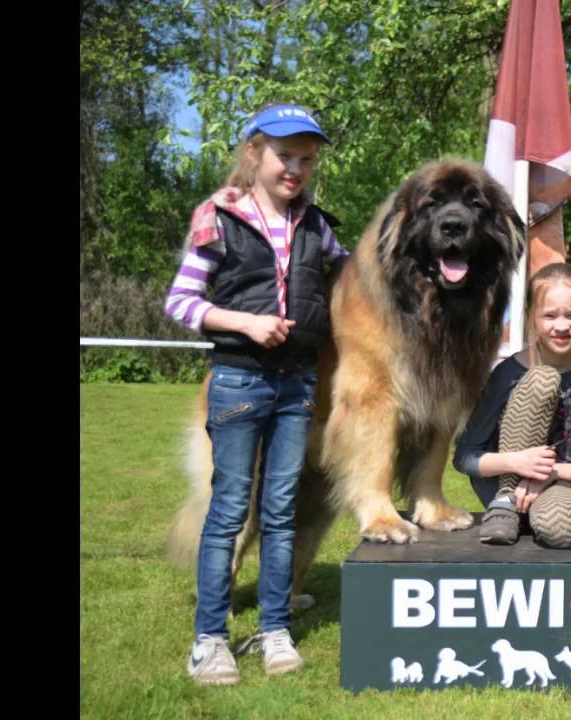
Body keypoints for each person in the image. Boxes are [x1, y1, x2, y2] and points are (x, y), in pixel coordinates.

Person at [164, 103, 347, 685]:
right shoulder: (218, 217)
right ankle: (209, 639)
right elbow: (181, 302)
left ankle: (275, 628)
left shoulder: (318, 226)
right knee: (228, 514)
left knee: (281, 512)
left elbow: (356, 285)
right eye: (284, 156)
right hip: (239, 380)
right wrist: (244, 322)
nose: (295, 169)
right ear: (254, 154)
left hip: (298, 385)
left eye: (306, 159)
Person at [454, 263, 571, 548]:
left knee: (561, 532)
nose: (562, 326)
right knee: (542, 378)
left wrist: (549, 473)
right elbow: (465, 457)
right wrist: (516, 462)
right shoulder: (507, 374)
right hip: (502, 482)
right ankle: (507, 505)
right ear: (531, 316)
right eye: (550, 315)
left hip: (560, 482)